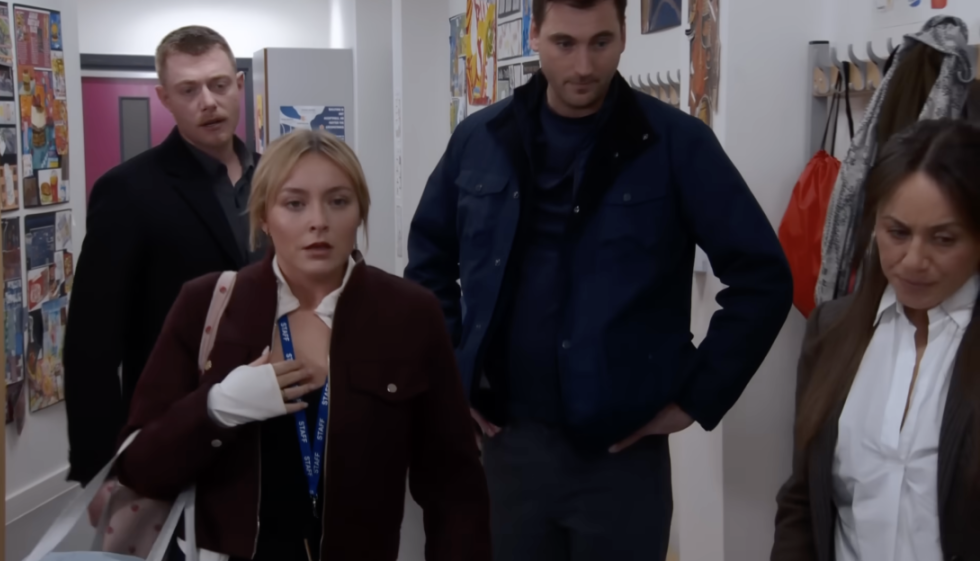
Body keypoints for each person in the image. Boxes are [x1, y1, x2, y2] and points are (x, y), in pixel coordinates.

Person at [405, 0, 793, 559]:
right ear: (535, 34)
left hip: (623, 458)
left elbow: (763, 277)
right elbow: (428, 261)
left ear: (624, 37)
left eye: (601, 42)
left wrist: (697, 397)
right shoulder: (479, 140)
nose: (584, 66)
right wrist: (451, 370)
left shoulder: (676, 145)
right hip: (508, 446)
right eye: (565, 43)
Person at [114, 129, 491, 561]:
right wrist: (218, 408)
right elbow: (139, 468)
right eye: (295, 203)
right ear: (263, 217)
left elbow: (454, 484)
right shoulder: (207, 305)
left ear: (360, 213)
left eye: (338, 201)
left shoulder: (408, 313)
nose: (319, 221)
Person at [772, 119, 980, 561]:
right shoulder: (832, 330)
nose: (913, 260)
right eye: (897, 232)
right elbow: (802, 496)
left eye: (943, 239)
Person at [64, 26, 261, 485]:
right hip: (174, 427)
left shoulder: (280, 179)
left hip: (276, 421)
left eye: (217, 84)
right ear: (164, 98)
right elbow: (91, 346)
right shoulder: (129, 191)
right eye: (188, 90)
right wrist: (101, 468)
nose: (207, 102)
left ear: (238, 84)